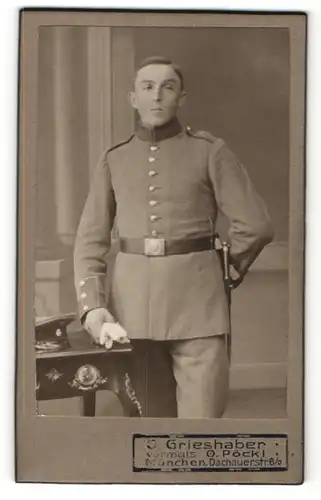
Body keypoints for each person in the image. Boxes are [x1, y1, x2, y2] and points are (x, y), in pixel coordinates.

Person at [73, 56, 274, 418]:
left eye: (168, 87)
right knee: (149, 429)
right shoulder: (114, 159)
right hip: (131, 316)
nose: (157, 96)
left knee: (199, 428)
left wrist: (227, 271)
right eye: (147, 87)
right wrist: (93, 305)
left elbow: (256, 225)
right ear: (132, 98)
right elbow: (90, 240)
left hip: (198, 310)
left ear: (181, 98)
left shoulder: (209, 151)